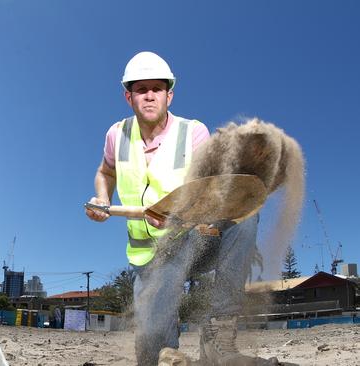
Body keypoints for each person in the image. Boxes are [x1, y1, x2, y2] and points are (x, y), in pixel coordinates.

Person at [85, 52, 259, 365]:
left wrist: (182, 216)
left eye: (157, 88)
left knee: (243, 218)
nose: (149, 95)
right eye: (141, 89)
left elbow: (209, 193)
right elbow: (105, 172)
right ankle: (166, 348)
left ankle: (218, 335)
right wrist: (101, 197)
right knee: (154, 355)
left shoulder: (193, 133)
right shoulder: (116, 135)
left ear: (170, 95)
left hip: (193, 241)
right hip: (151, 259)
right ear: (129, 97)